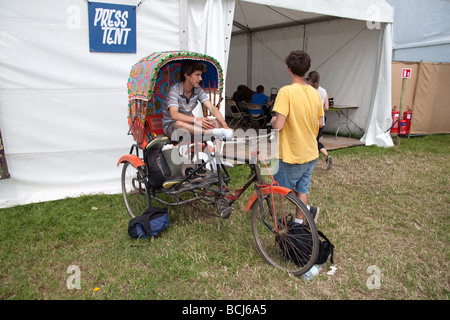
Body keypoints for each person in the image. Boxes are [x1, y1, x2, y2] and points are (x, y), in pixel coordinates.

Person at [270, 50, 324, 224]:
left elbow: (279, 125)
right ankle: (299, 224)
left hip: (292, 153)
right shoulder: (315, 93)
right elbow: (321, 123)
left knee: (280, 189)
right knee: (302, 189)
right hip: (311, 151)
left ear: (288, 68)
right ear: (307, 69)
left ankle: (306, 211)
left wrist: (273, 120)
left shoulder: (286, 92)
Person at [162, 60, 232, 141]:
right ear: (186, 75)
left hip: (189, 124)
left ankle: (215, 132)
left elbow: (212, 108)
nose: (200, 78)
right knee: (179, 123)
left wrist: (224, 125)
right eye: (197, 75)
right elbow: (174, 115)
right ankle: (213, 132)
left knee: (215, 122)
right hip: (172, 128)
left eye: (201, 75)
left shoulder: (198, 89)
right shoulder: (174, 91)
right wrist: (196, 119)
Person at [307, 71, 333, 170]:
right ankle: (326, 156)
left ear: (310, 80)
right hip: (321, 119)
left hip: (310, 120)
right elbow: (326, 107)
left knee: (311, 141)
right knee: (315, 141)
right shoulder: (323, 91)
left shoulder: (309, 91)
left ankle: (311, 161)